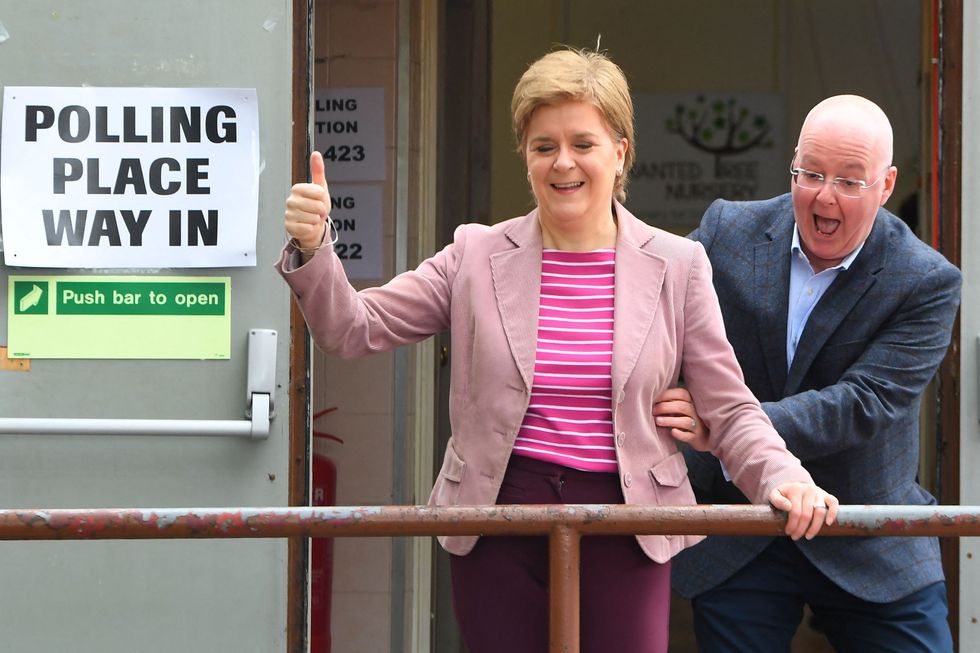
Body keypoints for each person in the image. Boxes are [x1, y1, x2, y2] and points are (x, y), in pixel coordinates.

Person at [278, 48, 837, 653]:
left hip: (628, 523)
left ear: (620, 151)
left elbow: (728, 407)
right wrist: (316, 248)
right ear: (525, 156)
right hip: (495, 520)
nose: (563, 162)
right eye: (544, 145)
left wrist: (785, 478)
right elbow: (352, 328)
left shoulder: (679, 265)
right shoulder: (474, 254)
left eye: (583, 143)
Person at [663, 95, 962, 652]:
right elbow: (656, 323)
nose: (825, 196)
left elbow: (865, 402)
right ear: (792, 167)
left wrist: (726, 426)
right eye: (811, 175)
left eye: (850, 182)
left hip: (865, 528)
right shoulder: (726, 230)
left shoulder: (926, 280)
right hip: (741, 521)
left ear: (887, 184)